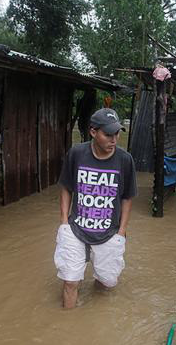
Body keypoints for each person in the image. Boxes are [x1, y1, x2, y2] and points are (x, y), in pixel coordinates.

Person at [54, 108, 138, 308]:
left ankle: (96, 319)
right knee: (70, 281)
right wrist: (64, 222)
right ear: (93, 132)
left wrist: (122, 232)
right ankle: (67, 326)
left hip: (109, 232)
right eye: (108, 134)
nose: (114, 140)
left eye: (117, 134)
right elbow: (66, 187)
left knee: (106, 282)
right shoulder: (76, 153)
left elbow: (127, 198)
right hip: (75, 229)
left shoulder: (125, 160)